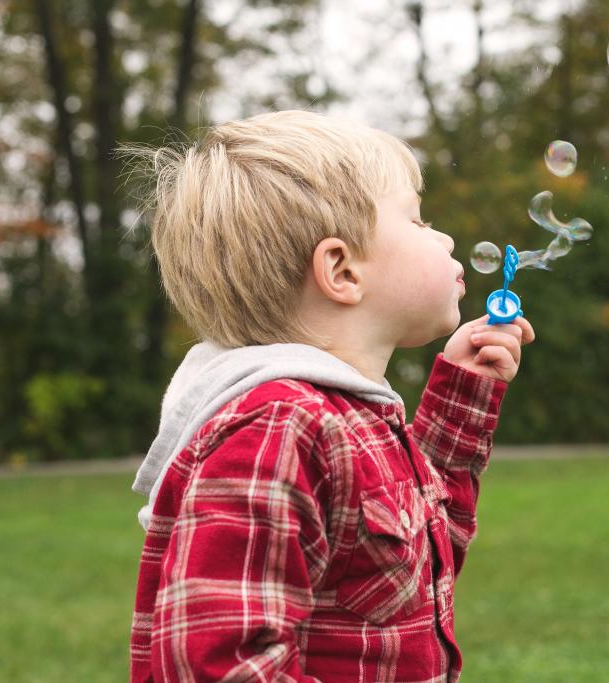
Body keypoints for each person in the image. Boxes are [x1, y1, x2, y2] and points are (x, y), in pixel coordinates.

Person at [126, 109, 534, 682]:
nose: (442, 237)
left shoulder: (343, 420)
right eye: (417, 222)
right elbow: (219, 665)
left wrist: (463, 395)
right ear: (341, 271)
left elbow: (416, 569)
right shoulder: (278, 428)